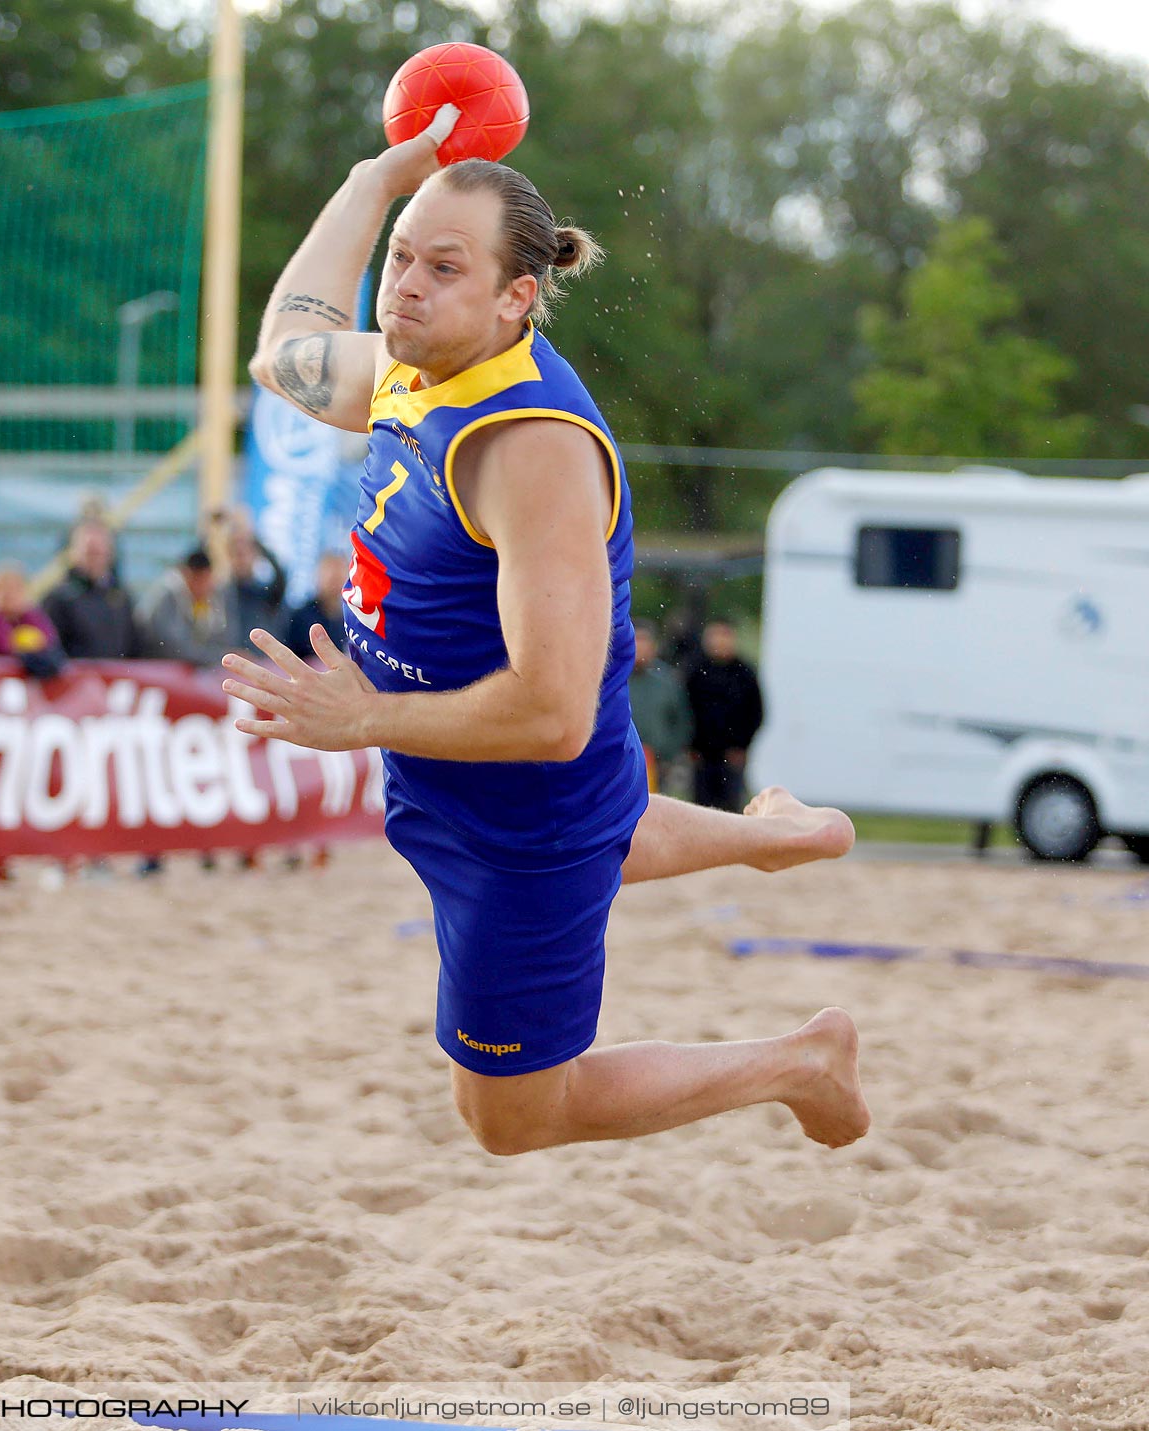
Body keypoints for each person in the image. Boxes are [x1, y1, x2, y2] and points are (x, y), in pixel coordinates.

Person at [222, 113, 868, 1157]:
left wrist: (358, 718)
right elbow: (282, 352)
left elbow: (553, 715)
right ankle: (776, 835)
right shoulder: (410, 362)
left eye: (445, 267)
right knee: (607, 823)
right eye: (401, 260)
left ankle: (799, 1061)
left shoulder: (527, 448)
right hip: (470, 776)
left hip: (521, 824)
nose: (407, 288)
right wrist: (372, 180)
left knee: (513, 1119)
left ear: (515, 297)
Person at [686, 619, 765, 812]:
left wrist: (742, 746)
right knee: (700, 808)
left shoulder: (744, 674)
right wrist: (691, 745)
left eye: (724, 636)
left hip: (732, 755)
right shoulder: (695, 672)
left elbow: (756, 713)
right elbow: (683, 712)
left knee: (731, 807)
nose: (719, 642)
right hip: (701, 755)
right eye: (715, 636)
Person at [43, 520, 146, 660]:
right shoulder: (57, 599)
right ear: (73, 553)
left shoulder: (123, 599)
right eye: (89, 552)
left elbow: (135, 648)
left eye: (99, 552)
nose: (95, 558)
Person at [629, 617, 694, 797]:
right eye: (636, 640)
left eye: (645, 641)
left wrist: (669, 753)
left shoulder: (668, 681)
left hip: (659, 764)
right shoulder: (612, 680)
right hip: (620, 763)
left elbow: (681, 721)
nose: (640, 647)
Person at [136, 546, 230, 666]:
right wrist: (218, 656)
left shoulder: (207, 598)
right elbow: (174, 648)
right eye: (201, 580)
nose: (206, 587)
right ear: (188, 575)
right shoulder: (165, 597)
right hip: (155, 668)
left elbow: (219, 635)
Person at [0, 562, 64, 680]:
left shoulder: (32, 616)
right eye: (3, 588)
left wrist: (28, 612)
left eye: (16, 588)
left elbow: (49, 642)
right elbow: (4, 646)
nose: (10, 594)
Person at [218, 507, 289, 649]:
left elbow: (281, 574)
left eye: (245, 553)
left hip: (263, 664)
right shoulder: (221, 594)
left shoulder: (266, 594)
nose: (241, 559)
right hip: (229, 665)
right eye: (236, 553)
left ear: (255, 555)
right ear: (228, 556)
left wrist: (251, 535)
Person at [283, 551, 350, 653]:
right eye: (331, 578)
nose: (335, 583)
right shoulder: (301, 618)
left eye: (339, 576)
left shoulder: (351, 619)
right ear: (317, 577)